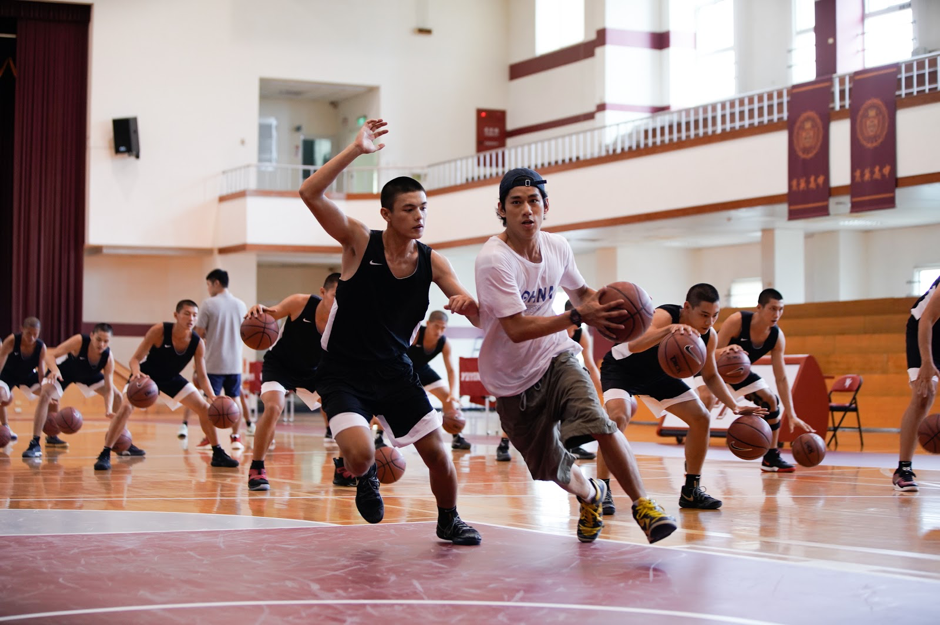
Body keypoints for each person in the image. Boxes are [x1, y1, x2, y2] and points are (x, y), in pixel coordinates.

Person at [299, 118, 481, 545]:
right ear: (386, 214)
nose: (419, 216)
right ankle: (365, 477)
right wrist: (355, 150)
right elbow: (309, 193)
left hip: (396, 372)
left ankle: (449, 519)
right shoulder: (360, 241)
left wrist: (468, 304)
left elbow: (476, 313)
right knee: (362, 455)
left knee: (438, 453)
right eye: (409, 209)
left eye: (423, 208)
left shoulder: (433, 262)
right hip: (343, 372)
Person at [474, 167, 677, 544]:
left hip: (557, 357)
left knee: (601, 423)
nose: (526, 210)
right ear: (501, 209)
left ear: (546, 206)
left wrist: (621, 309)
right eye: (516, 202)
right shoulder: (493, 259)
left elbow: (582, 294)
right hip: (510, 379)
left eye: (533, 201)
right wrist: (576, 316)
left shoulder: (558, 247)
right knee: (551, 467)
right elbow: (516, 329)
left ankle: (644, 505)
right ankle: (591, 494)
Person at [601, 284, 767, 513]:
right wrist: (668, 330)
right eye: (704, 315)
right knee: (617, 418)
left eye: (715, 315)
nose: (709, 322)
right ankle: (602, 489)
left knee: (701, 418)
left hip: (658, 377)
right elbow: (634, 345)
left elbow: (710, 375)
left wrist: (734, 405)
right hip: (622, 369)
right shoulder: (665, 315)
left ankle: (691, 491)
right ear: (687, 307)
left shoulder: (709, 336)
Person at [94, 300, 238, 471]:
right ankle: (105, 454)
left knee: (204, 408)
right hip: (147, 376)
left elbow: (202, 375)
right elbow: (135, 359)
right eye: (186, 314)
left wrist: (212, 396)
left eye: (194, 315)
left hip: (171, 379)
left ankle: (218, 453)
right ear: (176, 315)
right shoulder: (160, 331)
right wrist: (136, 373)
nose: (191, 318)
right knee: (125, 408)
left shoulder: (197, 342)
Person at [699, 288, 815, 472]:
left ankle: (771, 457)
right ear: (759, 308)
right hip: (711, 366)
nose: (777, 314)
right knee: (706, 401)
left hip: (737, 372)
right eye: (772, 309)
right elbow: (710, 353)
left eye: (781, 309)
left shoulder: (776, 336)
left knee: (770, 400)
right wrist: (727, 350)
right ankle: (695, 457)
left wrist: (792, 414)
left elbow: (781, 378)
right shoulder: (737, 321)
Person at [245, 274, 340, 491]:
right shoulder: (300, 303)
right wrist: (258, 310)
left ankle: (343, 467)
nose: (339, 301)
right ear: (323, 292)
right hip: (280, 366)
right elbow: (271, 312)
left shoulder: (344, 320)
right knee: (273, 407)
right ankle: (257, 467)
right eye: (335, 295)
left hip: (312, 372)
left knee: (345, 407)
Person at [22, 324, 121, 458]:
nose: (101, 344)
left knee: (118, 396)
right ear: (92, 336)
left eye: (106, 341)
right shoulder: (79, 341)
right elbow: (50, 356)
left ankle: (121, 440)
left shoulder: (108, 358)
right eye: (99, 339)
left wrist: (108, 409)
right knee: (45, 394)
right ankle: (35, 443)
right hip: (63, 372)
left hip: (88, 376)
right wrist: (55, 370)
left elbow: (109, 388)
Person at [192, 268, 249, 450]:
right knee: (235, 399)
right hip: (235, 363)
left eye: (209, 285)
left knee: (210, 401)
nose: (208, 289)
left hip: (213, 362)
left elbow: (198, 334)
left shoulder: (208, 304)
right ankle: (236, 438)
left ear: (216, 283)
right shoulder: (241, 305)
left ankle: (210, 438)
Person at [893, 275, 940, 492]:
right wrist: (927, 362)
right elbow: (926, 320)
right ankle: (903, 469)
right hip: (925, 328)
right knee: (923, 396)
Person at [406, 310, 472, 450]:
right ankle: (379, 437)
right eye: (436, 326)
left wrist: (453, 393)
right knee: (390, 403)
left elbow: (451, 370)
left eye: (443, 328)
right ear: (428, 323)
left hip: (423, 371)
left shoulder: (444, 342)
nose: (439, 331)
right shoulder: (416, 334)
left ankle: (457, 437)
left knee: (448, 398)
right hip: (404, 371)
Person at [563, 300, 599, 461]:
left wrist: (603, 391)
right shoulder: (554, 330)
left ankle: (572, 443)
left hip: (566, 372)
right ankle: (504, 443)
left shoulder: (581, 334)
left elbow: (590, 365)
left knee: (577, 402)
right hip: (543, 370)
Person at [0, 317, 46, 442]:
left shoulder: (41, 347)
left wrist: (45, 390)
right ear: (22, 330)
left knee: (51, 394)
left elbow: (41, 373)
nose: (32, 337)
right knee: (0, 394)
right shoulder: (12, 340)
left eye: (35, 334)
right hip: (8, 375)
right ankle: (5, 426)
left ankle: (52, 434)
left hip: (27, 376)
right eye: (28, 333)